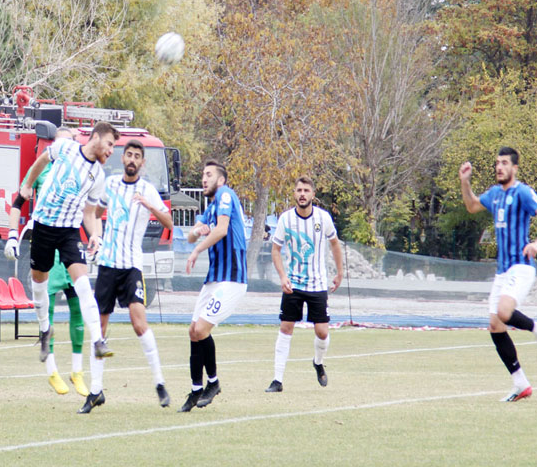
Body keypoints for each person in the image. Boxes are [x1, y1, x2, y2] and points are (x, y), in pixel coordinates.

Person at [10, 122, 119, 366]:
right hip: (43, 227)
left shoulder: (98, 176)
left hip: (69, 231)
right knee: (39, 284)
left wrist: (95, 236)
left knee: (82, 283)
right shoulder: (66, 148)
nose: (111, 150)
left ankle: (99, 341)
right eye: (110, 144)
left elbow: (90, 214)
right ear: (96, 137)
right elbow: (41, 161)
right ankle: (44, 329)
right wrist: (27, 184)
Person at [80, 139, 173, 413]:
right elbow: (95, 213)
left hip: (132, 265)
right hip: (108, 264)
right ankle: (95, 390)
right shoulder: (109, 184)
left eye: (137, 156)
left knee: (139, 323)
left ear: (143, 163)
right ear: (123, 159)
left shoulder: (148, 190)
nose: (132, 159)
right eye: (129, 155)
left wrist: (149, 206)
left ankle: (159, 383)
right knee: (100, 327)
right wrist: (95, 235)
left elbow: (169, 222)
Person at [459, 147, 537, 402]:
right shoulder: (494, 195)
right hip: (502, 270)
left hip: (521, 266)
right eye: (497, 163)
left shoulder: (521, 192)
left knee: (503, 311)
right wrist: (464, 182)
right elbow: (471, 206)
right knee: (495, 325)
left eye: (504, 163)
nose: (499, 167)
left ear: (514, 168)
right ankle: (520, 384)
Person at [4, 127, 88, 397]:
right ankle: (51, 369)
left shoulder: (80, 170)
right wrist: (12, 235)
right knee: (48, 306)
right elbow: (17, 203)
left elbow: (88, 210)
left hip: (68, 241)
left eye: (71, 141)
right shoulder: (41, 170)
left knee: (78, 305)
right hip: (45, 240)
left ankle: (77, 371)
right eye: (63, 141)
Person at [179, 160, 249, 412]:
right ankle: (197, 390)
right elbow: (190, 235)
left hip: (232, 278)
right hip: (214, 279)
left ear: (221, 180)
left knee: (201, 328)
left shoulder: (226, 194)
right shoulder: (211, 208)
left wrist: (197, 249)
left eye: (209, 175)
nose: (203, 179)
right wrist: (197, 231)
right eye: (202, 175)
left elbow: (221, 230)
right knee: (193, 331)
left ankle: (213, 383)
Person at [265, 176, 343, 393]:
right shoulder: (286, 219)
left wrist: (339, 272)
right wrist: (282, 276)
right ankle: (277, 380)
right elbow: (276, 250)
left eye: (306, 190)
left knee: (322, 332)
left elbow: (335, 245)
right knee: (286, 327)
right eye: (299, 190)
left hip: (318, 284)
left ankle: (318, 362)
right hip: (294, 283)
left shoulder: (323, 218)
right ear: (294, 194)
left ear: (313, 194)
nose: (302, 194)